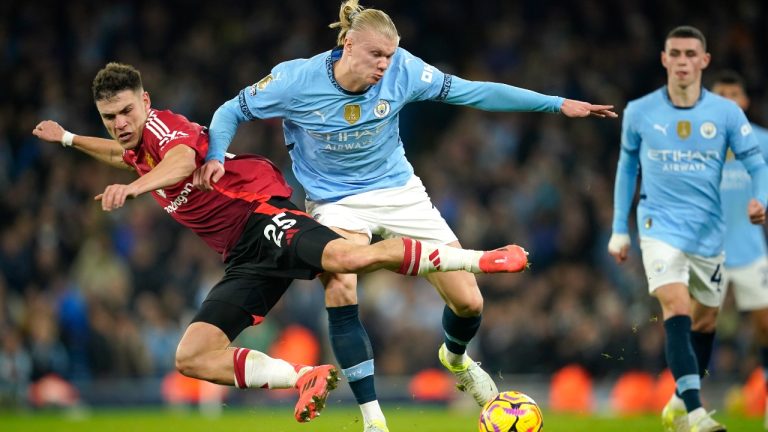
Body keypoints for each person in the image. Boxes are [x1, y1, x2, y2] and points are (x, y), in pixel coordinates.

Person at [194, 1, 616, 431]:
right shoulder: (295, 79)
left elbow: (474, 91)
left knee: (469, 302)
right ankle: (373, 419)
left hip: (399, 193)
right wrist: (213, 156)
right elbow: (230, 111)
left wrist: (556, 103)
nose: (384, 65)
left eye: (390, 56)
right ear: (347, 43)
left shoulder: (405, 72)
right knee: (341, 284)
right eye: (376, 55)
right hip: (334, 201)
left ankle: (455, 359)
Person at [31, 63, 530, 424]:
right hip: (242, 255)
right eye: (108, 118)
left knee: (348, 261)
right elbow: (125, 158)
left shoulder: (162, 127)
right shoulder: (135, 146)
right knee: (192, 356)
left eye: (124, 112)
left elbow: (182, 161)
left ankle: (479, 259)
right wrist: (72, 140)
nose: (119, 124)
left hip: (260, 213)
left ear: (144, 101)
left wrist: (134, 190)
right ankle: (303, 377)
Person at [608, 26, 768, 432]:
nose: (682, 61)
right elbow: (627, 168)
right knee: (676, 307)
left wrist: (760, 199)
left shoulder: (726, 114)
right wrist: (619, 228)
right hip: (658, 225)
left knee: (705, 321)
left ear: (704, 60)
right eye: (674, 53)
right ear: (664, 59)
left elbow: (757, 163)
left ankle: (679, 399)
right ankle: (696, 412)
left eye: (689, 54)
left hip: (709, 234)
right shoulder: (640, 111)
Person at [712, 70, 768, 428]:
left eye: (735, 93)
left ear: (745, 101)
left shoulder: (763, 141)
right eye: (722, 94)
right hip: (708, 252)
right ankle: (684, 403)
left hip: (750, 252)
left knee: (766, 328)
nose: (730, 100)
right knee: (693, 326)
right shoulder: (695, 145)